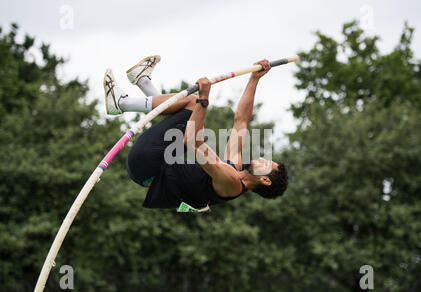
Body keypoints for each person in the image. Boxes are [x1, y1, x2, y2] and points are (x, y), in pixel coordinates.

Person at [104, 55, 288, 211]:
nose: (261, 158)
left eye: (265, 163)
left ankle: (122, 103)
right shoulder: (235, 167)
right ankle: (142, 81)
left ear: (265, 179)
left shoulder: (231, 183)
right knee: (185, 113)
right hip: (158, 165)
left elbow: (192, 142)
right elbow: (241, 121)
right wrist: (254, 79)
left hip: (148, 166)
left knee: (192, 104)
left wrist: (204, 99)